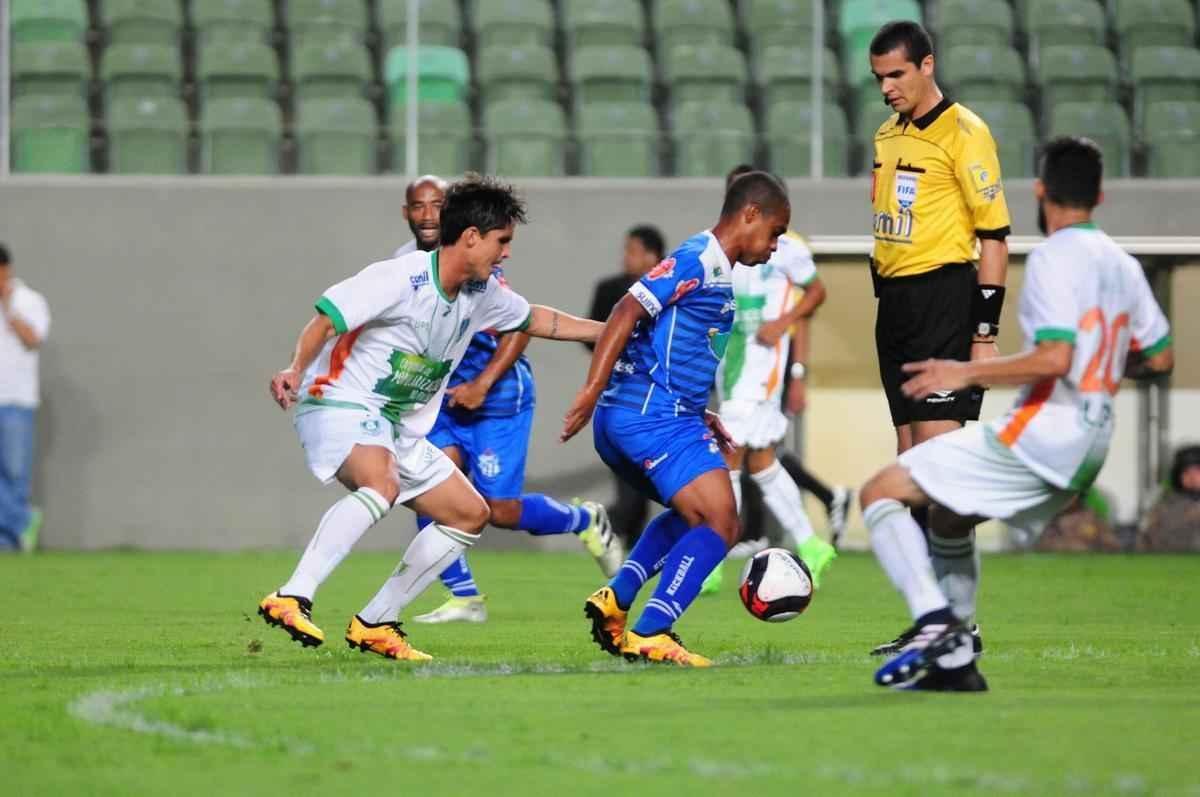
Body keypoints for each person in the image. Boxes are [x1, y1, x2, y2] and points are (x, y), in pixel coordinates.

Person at [860, 136, 1174, 691]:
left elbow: (1054, 357)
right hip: (1092, 441)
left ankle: (936, 625)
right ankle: (957, 666)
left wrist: (964, 371)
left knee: (881, 492)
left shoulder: (1055, 255)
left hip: (1044, 435)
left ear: (1040, 191)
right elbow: (1160, 356)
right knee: (949, 519)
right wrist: (1099, 367)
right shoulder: (1122, 264)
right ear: (1099, 194)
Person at [258, 176, 604, 660]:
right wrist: (295, 367)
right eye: (502, 242)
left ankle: (377, 621)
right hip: (339, 402)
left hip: (391, 424)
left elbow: (538, 321)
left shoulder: (480, 293)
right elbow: (326, 318)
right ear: (470, 238)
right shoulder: (400, 277)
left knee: (469, 513)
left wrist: (614, 330)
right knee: (381, 485)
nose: (505, 254)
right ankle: (293, 595)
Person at [562, 171, 791, 667]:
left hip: (653, 415)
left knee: (694, 514)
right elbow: (626, 310)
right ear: (749, 214)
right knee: (724, 521)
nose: (775, 247)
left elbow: (665, 342)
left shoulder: (714, 268)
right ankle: (654, 629)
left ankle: (618, 596)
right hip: (649, 417)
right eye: (774, 232)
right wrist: (591, 389)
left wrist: (697, 410)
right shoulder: (698, 259)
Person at [383, 176, 622, 625]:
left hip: (499, 400)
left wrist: (483, 383)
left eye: (438, 204)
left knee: (501, 511)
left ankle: (585, 521)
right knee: (429, 491)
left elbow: (521, 323)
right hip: (445, 401)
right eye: (420, 206)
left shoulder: (480, 268)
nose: (429, 214)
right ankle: (464, 597)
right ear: (407, 213)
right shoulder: (403, 266)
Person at [866, 21, 1013, 655]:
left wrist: (984, 333)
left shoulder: (966, 132)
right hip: (894, 307)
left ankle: (959, 620)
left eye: (897, 75)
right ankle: (933, 616)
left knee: (940, 471)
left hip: (945, 303)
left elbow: (996, 238)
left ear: (927, 65)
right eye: (879, 79)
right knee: (910, 470)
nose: (887, 89)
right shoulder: (886, 134)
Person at [702, 165, 840, 595]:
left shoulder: (787, 247)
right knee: (760, 461)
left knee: (729, 455)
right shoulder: (723, 245)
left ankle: (712, 558)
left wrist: (783, 323)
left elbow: (817, 292)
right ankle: (811, 545)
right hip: (734, 364)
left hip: (763, 363)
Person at [585, 226, 665, 546]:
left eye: (631, 250)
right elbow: (596, 337)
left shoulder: (670, 291)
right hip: (621, 396)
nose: (625, 257)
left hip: (659, 400)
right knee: (630, 488)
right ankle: (591, 522)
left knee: (643, 495)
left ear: (652, 255)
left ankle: (625, 555)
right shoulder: (611, 290)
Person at [0, 244, 50, 553]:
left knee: (14, 471)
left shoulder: (30, 301)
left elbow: (33, 340)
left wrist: (8, 308)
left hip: (16, 400)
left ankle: (10, 536)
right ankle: (19, 522)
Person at [1137, 445, 1200, 552]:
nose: (1192, 477)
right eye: (1186, 472)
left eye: (1198, 470)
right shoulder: (1165, 505)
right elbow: (1148, 539)